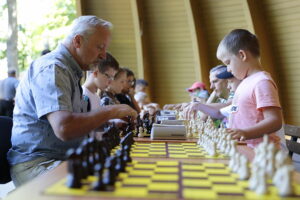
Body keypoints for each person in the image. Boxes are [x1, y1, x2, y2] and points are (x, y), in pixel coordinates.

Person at [7, 16, 137, 187]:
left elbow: (76, 124)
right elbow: (64, 128)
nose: (103, 55)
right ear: (77, 41)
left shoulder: (71, 71)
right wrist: (113, 111)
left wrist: (108, 123)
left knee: (123, 179)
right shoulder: (53, 68)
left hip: (62, 157)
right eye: (100, 47)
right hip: (38, 163)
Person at [216, 29, 283, 148]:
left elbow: (275, 121)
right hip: (244, 148)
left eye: (228, 62)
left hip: (262, 153)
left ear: (242, 55)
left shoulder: (261, 82)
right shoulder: (245, 82)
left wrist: (245, 133)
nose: (228, 69)